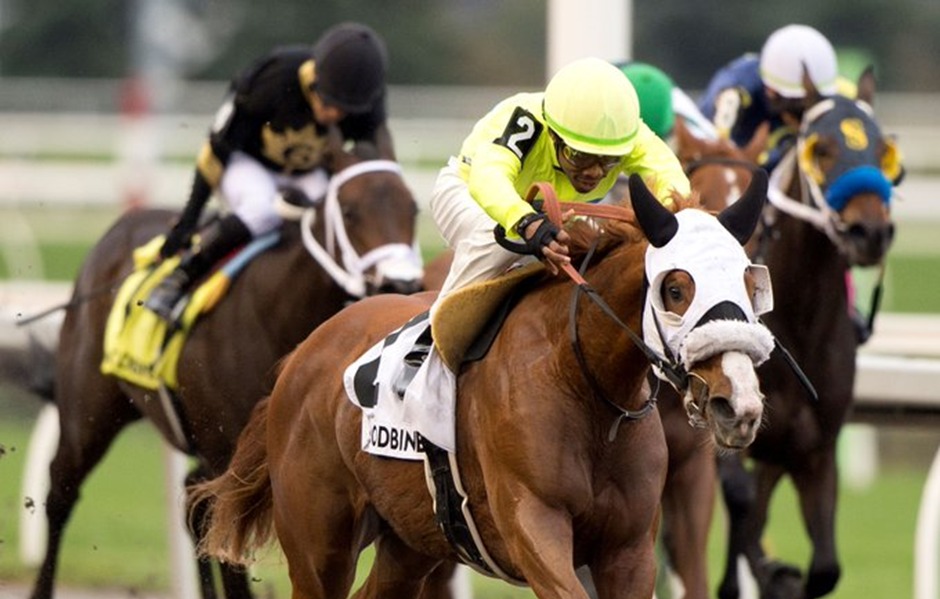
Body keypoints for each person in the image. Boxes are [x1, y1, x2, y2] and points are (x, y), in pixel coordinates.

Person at [402, 58, 691, 452]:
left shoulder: (628, 135)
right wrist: (527, 223)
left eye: (607, 162)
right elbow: (490, 178)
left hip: (544, 212)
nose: (592, 172)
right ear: (554, 135)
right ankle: (427, 355)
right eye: (578, 157)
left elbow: (672, 179)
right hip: (471, 196)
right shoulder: (525, 120)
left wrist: (671, 224)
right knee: (497, 242)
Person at [144, 22, 394, 320]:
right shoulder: (271, 80)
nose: (333, 116)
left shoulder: (366, 99)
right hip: (248, 163)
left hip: (308, 172)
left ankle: (350, 294)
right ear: (313, 77)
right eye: (327, 101)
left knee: (336, 219)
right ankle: (183, 276)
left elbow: (369, 162)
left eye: (344, 111)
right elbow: (216, 152)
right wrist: (188, 221)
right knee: (264, 210)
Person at [697, 24, 839, 171]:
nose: (806, 111)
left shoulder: (834, 93)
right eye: (798, 105)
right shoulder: (736, 91)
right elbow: (711, 150)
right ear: (771, 91)